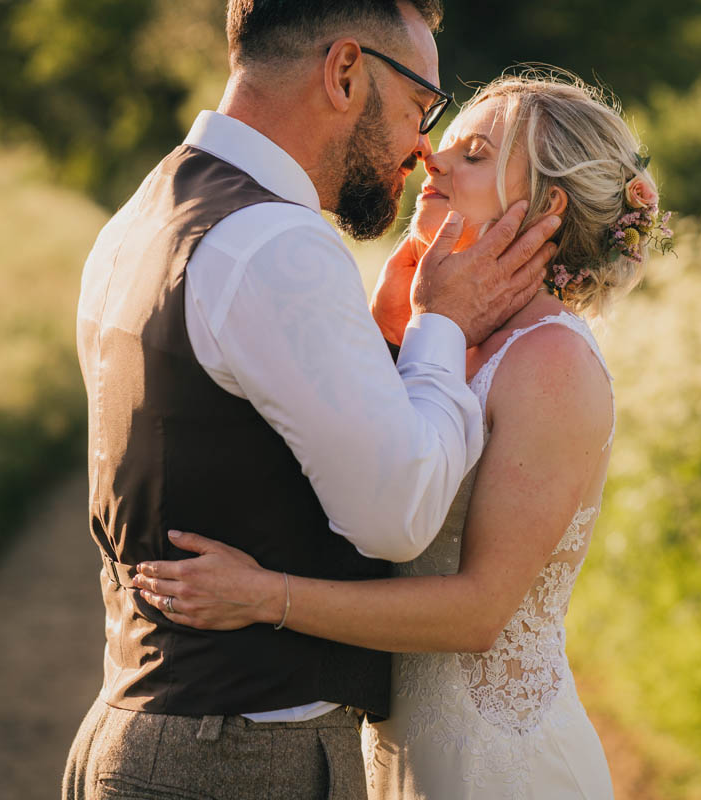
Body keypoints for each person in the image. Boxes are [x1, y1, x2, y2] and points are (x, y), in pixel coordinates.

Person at [63, 2, 563, 798]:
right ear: (345, 73)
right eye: (420, 105)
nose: (422, 146)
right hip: (234, 759)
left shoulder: (150, 210)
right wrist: (442, 325)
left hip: (143, 728)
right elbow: (399, 512)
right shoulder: (274, 241)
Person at [132, 71, 673, 800]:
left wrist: (264, 596)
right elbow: (363, 479)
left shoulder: (551, 361)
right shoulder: (444, 335)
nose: (430, 158)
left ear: (547, 205)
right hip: (400, 752)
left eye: (474, 155)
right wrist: (393, 331)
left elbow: (479, 612)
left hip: (496, 767)